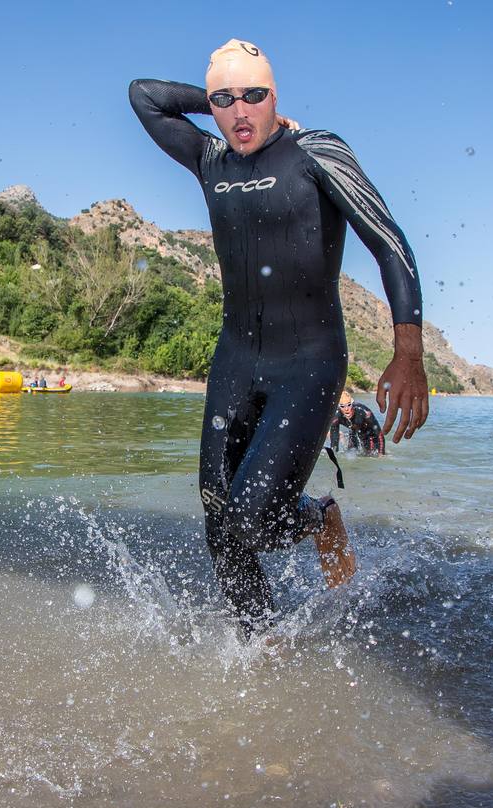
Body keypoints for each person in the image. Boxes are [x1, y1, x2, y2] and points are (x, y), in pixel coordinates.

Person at [130, 39, 428, 635]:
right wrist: (222, 98)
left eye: (255, 97)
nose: (241, 114)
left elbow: (388, 242)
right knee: (221, 526)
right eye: (225, 101)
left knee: (251, 518)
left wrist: (409, 352)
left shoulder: (316, 151)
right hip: (236, 360)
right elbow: (144, 97)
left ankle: (318, 517)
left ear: (277, 98)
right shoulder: (210, 159)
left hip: (309, 364)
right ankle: (260, 647)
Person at [330, 391, 385, 456]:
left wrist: (381, 454)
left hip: (370, 436)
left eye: (349, 405)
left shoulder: (364, 412)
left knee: (369, 456)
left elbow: (379, 434)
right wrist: (333, 455)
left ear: (352, 404)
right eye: (342, 406)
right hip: (354, 434)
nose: (346, 409)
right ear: (339, 407)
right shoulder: (336, 416)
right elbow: (334, 439)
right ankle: (343, 438)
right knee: (350, 454)